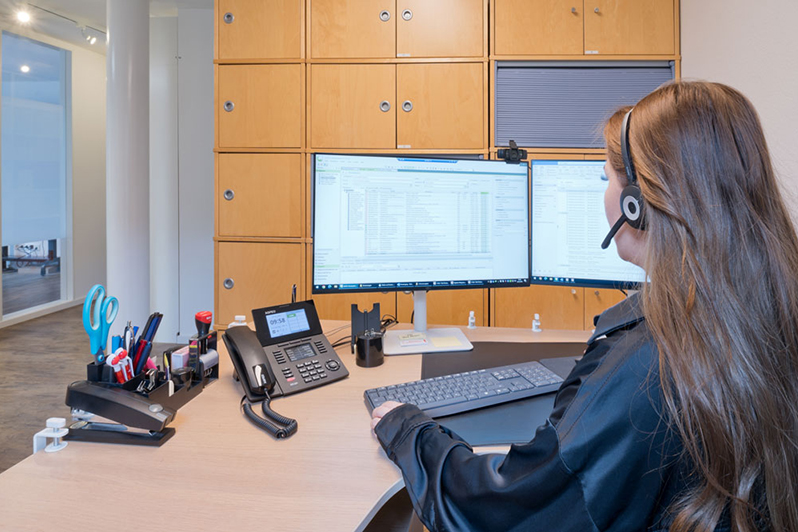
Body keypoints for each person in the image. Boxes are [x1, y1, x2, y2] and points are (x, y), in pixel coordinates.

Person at [370, 81, 798, 532]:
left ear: (637, 202)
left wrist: (410, 431)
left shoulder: (649, 364)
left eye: (607, 177)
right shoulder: (765, 312)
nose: (606, 193)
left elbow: (504, 511)